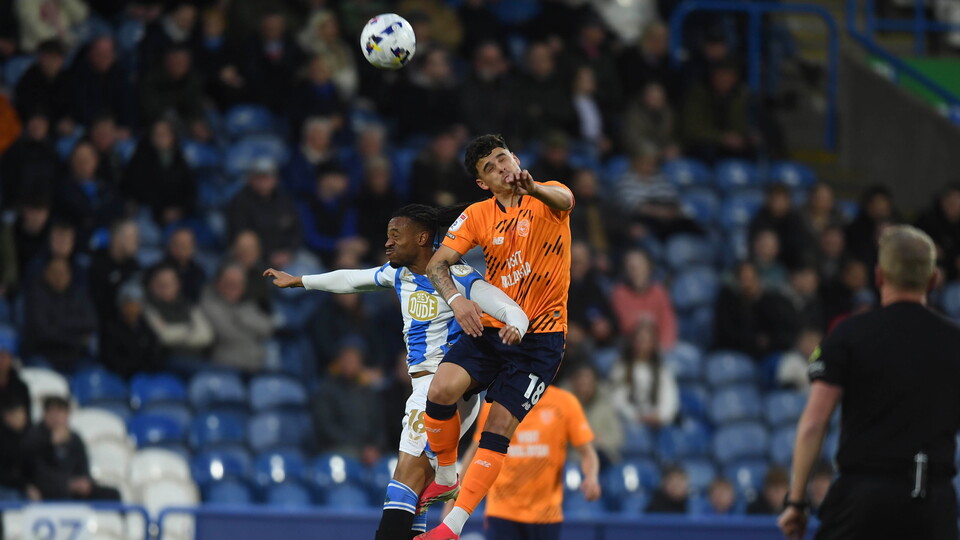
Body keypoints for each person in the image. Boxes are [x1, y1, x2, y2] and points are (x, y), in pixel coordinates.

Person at [263, 203, 529, 540]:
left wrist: (516, 324)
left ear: (421, 238)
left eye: (395, 235)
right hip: (432, 390)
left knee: (404, 476)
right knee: (416, 492)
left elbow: (501, 303)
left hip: (443, 386)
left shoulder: (457, 275)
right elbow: (352, 279)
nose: (387, 243)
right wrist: (299, 280)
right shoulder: (399, 274)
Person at [416, 134, 575, 540]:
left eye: (504, 158)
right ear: (482, 184)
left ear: (516, 158)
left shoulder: (549, 193)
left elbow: (566, 202)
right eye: (490, 167)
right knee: (440, 389)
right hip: (490, 329)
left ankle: (451, 527)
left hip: (541, 339)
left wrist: (533, 186)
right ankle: (447, 473)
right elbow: (437, 265)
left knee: (499, 425)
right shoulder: (476, 216)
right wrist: (457, 301)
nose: (502, 168)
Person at [778, 225, 960, 540]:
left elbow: (814, 422)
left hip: (863, 499)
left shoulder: (848, 334)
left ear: (878, 277)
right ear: (932, 280)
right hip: (933, 501)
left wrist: (796, 502)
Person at [452, 385, 601, 540]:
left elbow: (587, 453)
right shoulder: (495, 402)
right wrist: (454, 499)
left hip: (546, 515)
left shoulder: (565, 403)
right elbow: (476, 451)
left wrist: (591, 477)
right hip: (502, 511)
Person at [21, 397, 121, 502]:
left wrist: (84, 482)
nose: (56, 418)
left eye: (60, 412)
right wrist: (50, 443)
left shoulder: (74, 438)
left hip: (74, 489)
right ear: (45, 414)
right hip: (47, 489)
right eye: (52, 412)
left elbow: (83, 466)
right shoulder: (34, 436)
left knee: (112, 494)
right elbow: (35, 470)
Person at [199, 263, 273, 373]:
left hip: (255, 367)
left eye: (238, 283)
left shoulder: (248, 306)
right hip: (224, 368)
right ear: (218, 283)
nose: (233, 286)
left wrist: (242, 319)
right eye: (229, 283)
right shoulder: (209, 305)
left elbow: (268, 329)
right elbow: (227, 333)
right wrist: (253, 332)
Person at [610, 321, 680, 429]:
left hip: (657, 419)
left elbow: (670, 398)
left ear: (653, 344)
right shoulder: (621, 367)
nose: (641, 345)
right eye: (639, 340)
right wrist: (636, 416)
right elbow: (618, 399)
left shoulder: (662, 369)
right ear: (632, 342)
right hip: (630, 421)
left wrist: (660, 416)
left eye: (646, 341)